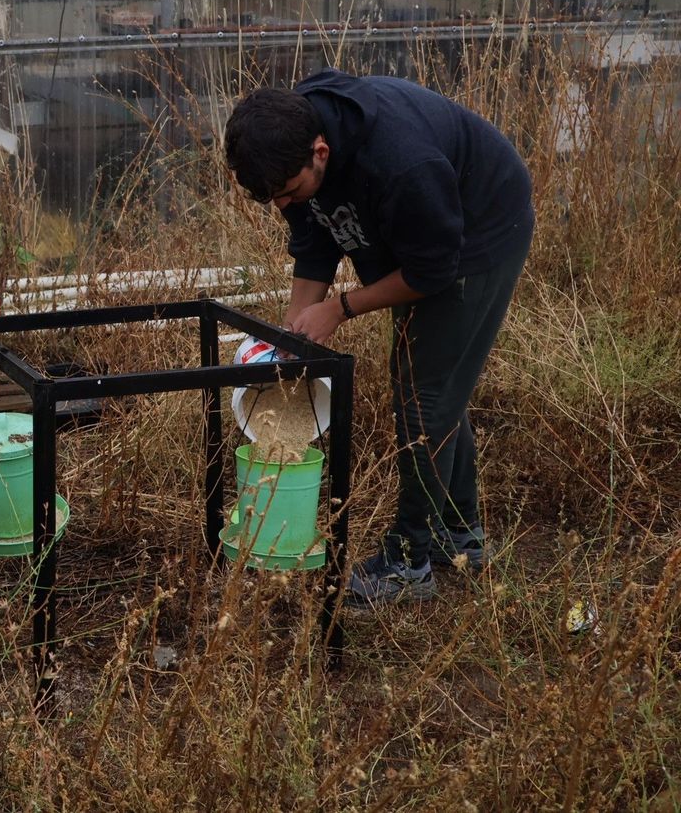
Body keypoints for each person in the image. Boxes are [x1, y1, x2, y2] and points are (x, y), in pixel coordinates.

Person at [223, 69, 533, 607]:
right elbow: (314, 230)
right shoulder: (292, 133)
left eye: (288, 191)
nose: (282, 204)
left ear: (321, 152)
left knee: (423, 397)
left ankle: (410, 560)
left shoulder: (400, 163)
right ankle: (458, 534)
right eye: (270, 197)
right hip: (422, 235)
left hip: (478, 234)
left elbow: (433, 271)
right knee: (433, 382)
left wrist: (339, 309)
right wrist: (296, 329)